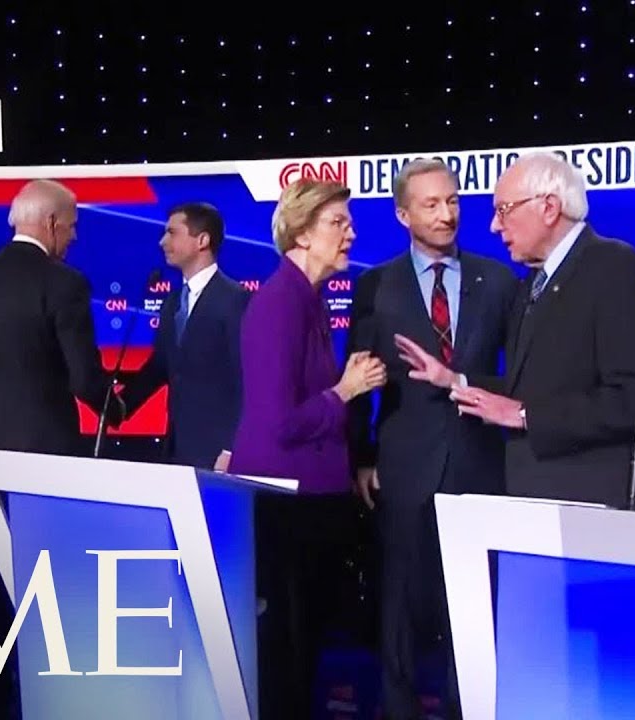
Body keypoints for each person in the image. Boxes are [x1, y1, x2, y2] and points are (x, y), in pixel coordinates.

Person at [396, 152, 635, 509]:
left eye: (504, 210)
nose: (495, 226)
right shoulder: (533, 284)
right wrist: (454, 381)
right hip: (537, 501)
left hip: (593, 506)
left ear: (548, 208)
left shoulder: (614, 266)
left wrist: (525, 416)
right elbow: (530, 388)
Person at [347, 159, 517, 719]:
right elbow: (359, 372)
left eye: (453, 202)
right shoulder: (377, 284)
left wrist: (463, 384)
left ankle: (463, 706)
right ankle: (397, 708)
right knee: (396, 598)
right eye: (431, 205)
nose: (447, 215)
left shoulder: (498, 281)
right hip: (402, 461)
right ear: (402, 214)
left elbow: (520, 376)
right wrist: (362, 457)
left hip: (479, 460)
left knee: (471, 602)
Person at [227, 179, 386, 717]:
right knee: (287, 655)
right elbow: (280, 423)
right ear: (300, 233)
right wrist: (346, 390)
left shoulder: (308, 301)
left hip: (310, 502)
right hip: (285, 505)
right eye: (337, 223)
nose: (351, 233)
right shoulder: (279, 304)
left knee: (304, 650)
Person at [0, 179, 122, 456]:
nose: (74, 236)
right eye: (71, 225)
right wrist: (115, 408)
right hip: (44, 448)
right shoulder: (65, 283)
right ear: (51, 222)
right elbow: (83, 378)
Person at [119, 203, 250, 469]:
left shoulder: (236, 300)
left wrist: (231, 448)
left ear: (202, 240)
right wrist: (115, 407)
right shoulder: (171, 303)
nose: (162, 241)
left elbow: (246, 379)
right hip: (177, 448)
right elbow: (161, 368)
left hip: (218, 454)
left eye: (172, 233)